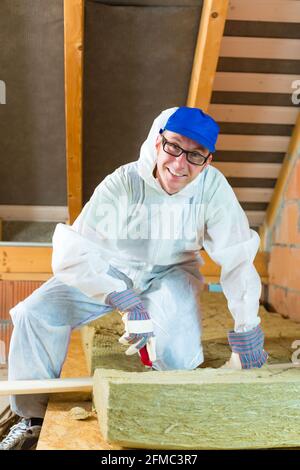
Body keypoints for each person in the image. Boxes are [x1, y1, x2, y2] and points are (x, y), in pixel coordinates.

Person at [0, 107, 268, 450]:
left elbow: (237, 256)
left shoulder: (212, 189)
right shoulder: (123, 182)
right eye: (174, 147)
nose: (180, 163)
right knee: (32, 313)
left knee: (180, 360)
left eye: (195, 155)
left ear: (208, 160)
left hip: (171, 273)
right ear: (158, 144)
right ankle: (32, 419)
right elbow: (73, 252)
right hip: (109, 268)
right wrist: (121, 297)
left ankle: (157, 378)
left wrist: (247, 328)